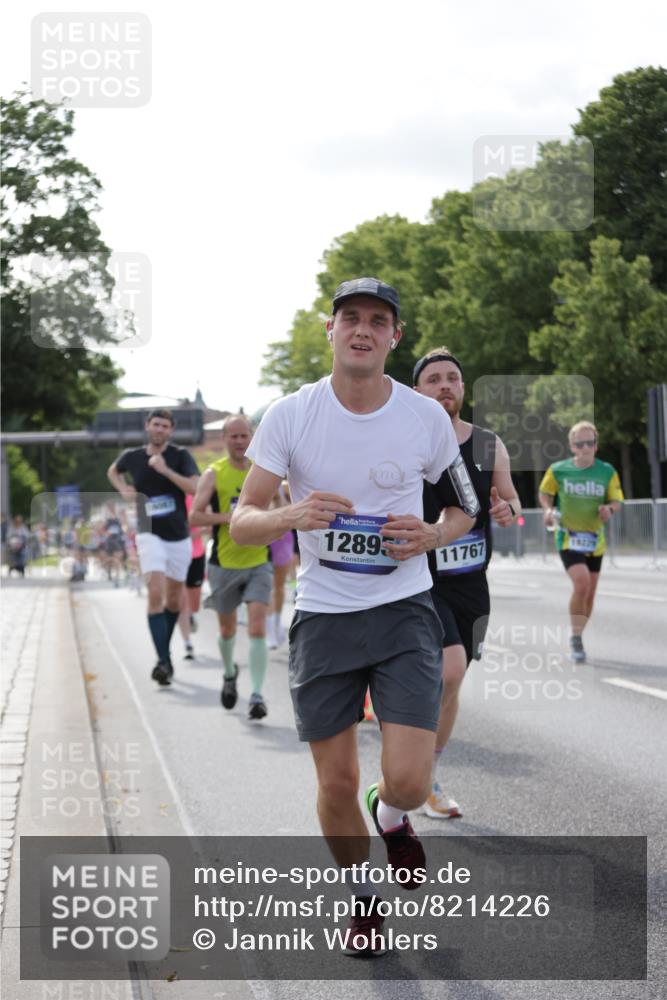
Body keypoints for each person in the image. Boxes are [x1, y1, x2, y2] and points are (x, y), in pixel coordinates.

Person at [230, 277, 479, 956]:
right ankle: (362, 902)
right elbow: (243, 521)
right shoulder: (290, 414)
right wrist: (290, 514)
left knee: (409, 779)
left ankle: (393, 815)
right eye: (350, 319)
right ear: (331, 330)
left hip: (401, 609)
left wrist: (431, 535)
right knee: (333, 782)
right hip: (323, 616)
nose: (362, 330)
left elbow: (463, 509)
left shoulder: (421, 416)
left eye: (377, 320)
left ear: (393, 337)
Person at [414, 347, 521, 818]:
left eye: (452, 378)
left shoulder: (488, 443)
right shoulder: (408, 441)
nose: (444, 386)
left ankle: (428, 774)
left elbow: (512, 501)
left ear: (462, 387)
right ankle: (416, 777)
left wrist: (506, 509)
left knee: (452, 685)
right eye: (433, 379)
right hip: (421, 578)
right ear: (417, 391)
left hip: (472, 581)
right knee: (449, 670)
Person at [107, 409, 199, 685]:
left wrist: (165, 471)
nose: (159, 429)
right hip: (149, 535)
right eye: (155, 424)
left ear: (170, 431)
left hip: (179, 536)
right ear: (147, 426)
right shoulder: (133, 456)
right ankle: (163, 661)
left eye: (165, 426)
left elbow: (194, 488)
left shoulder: (180, 456)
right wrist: (123, 488)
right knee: (155, 593)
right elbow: (113, 470)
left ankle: (164, 654)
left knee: (173, 600)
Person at [189, 414, 273, 719]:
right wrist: (231, 518)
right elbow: (195, 517)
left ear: (252, 438)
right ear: (224, 439)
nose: (239, 441)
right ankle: (228, 672)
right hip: (224, 563)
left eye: (244, 436)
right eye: (233, 436)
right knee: (226, 630)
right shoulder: (213, 474)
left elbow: (277, 506)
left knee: (257, 626)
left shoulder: (262, 470)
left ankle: (257, 695)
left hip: (258, 561)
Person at [539, 421, 623, 663]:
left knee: (590, 594)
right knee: (582, 582)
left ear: (596, 446)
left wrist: (609, 509)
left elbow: (616, 500)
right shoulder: (559, 470)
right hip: (568, 537)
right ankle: (576, 637)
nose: (585, 448)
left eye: (590, 443)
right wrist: (547, 509)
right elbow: (545, 493)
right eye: (580, 443)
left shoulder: (607, 471)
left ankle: (579, 632)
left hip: (595, 540)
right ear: (572, 446)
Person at [178, 494, 206, 660]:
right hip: (177, 555)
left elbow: (207, 525)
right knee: (182, 602)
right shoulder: (169, 496)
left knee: (194, 603)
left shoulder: (196, 497)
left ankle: (191, 616)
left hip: (196, 554)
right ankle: (187, 643)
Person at [266, 484, 294, 649]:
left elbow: (288, 512)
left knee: (279, 586)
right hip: (264, 537)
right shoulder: (257, 483)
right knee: (268, 586)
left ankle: (277, 622)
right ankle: (270, 630)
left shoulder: (284, 487)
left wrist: (278, 496)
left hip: (282, 538)